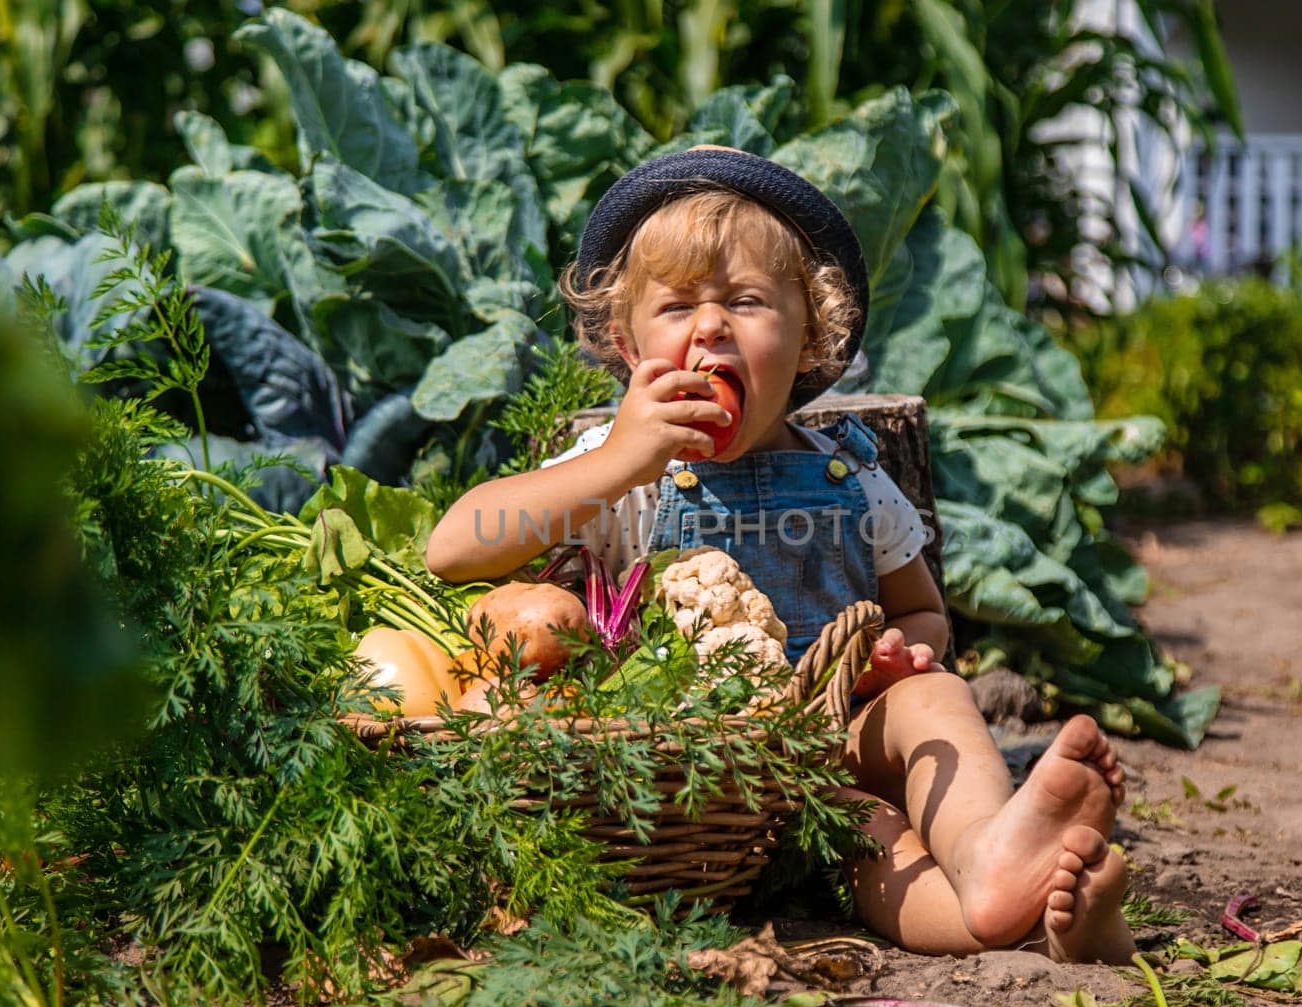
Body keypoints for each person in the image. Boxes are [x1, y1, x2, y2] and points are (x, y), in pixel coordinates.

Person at [425, 146, 1135, 963]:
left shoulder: (851, 474)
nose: (712, 325)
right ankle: (1015, 900)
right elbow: (452, 548)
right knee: (868, 833)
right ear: (625, 346)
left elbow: (921, 608)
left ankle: (990, 866)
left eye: (748, 301)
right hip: (688, 775)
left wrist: (905, 654)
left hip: (830, 755)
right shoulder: (614, 475)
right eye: (677, 306)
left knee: (925, 727)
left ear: (809, 342)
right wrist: (618, 459)